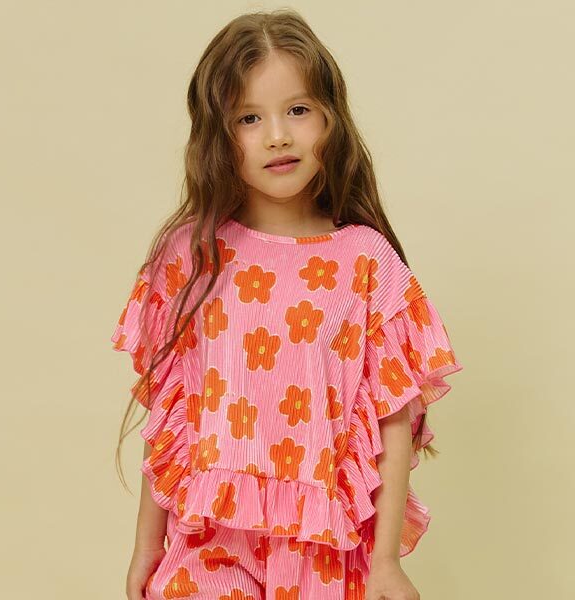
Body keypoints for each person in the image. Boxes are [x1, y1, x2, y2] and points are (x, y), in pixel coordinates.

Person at [110, 9, 463, 600]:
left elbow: (392, 422)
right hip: (208, 539)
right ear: (218, 137)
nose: (277, 135)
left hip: (322, 549)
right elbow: (170, 417)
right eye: (249, 118)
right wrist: (147, 546)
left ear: (331, 119)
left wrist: (384, 562)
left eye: (297, 110)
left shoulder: (365, 260)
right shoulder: (192, 254)